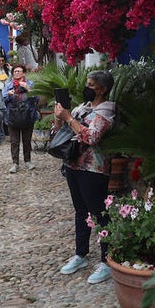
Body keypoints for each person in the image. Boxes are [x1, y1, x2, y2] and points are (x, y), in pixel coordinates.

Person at [53, 70, 117, 284]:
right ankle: (81, 254)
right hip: (73, 165)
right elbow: (63, 131)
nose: (86, 88)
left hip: (94, 169)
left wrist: (69, 118)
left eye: (91, 85)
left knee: (99, 214)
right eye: (87, 84)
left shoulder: (107, 111)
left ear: (103, 89)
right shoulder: (83, 107)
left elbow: (92, 136)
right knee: (80, 211)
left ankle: (106, 261)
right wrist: (59, 118)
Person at [2, 63, 38, 173]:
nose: (17, 73)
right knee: (14, 141)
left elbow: (37, 98)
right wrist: (8, 94)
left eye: (19, 71)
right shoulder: (8, 85)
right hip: (12, 117)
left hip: (28, 116)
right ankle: (15, 163)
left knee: (27, 141)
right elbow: (3, 99)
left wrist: (28, 89)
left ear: (24, 73)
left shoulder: (30, 83)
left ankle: (28, 160)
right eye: (15, 71)